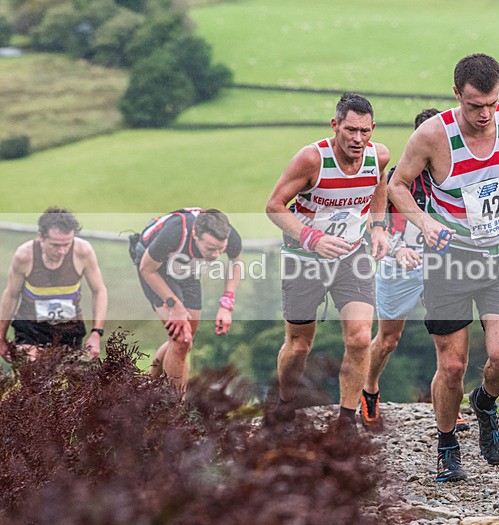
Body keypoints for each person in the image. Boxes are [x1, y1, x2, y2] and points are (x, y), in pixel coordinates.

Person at [387, 54, 499, 482]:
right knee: (452, 367)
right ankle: (447, 444)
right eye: (474, 105)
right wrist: (424, 221)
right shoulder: (432, 136)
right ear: (456, 95)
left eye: (491, 103)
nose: (484, 114)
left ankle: (486, 404)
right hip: (449, 262)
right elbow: (396, 186)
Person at [265, 92, 390, 430]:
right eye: (350, 130)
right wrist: (312, 238)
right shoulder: (311, 160)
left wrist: (377, 228)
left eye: (365, 131)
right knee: (299, 345)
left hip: (352, 257)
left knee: (361, 337)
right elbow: (274, 206)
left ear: (373, 129)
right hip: (304, 258)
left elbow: (380, 186)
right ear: (335, 125)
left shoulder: (378, 156)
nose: (358, 139)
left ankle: (346, 420)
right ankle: (285, 405)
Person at [360, 108, 468, 435]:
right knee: (389, 339)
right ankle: (369, 390)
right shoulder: (396, 179)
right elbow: (373, 226)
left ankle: (447, 408)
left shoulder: (460, 176)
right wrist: (397, 249)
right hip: (400, 264)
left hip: (442, 264)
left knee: (449, 342)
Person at [131, 207, 243, 392]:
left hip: (186, 268)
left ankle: (148, 387)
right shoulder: (174, 233)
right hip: (155, 268)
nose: (215, 255)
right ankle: (174, 411)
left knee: (184, 341)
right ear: (195, 235)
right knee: (181, 340)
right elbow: (147, 270)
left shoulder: (229, 235)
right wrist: (174, 305)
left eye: (220, 249)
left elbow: (235, 262)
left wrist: (226, 304)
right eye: (210, 248)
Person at [0, 207, 108, 361]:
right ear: (41, 237)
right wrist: (1, 336)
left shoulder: (83, 251)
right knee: (34, 372)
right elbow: (11, 295)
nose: (63, 251)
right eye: (56, 245)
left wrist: (97, 333)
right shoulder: (24, 256)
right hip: (31, 329)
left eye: (67, 244)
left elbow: (99, 291)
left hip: (69, 330)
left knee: (62, 381)